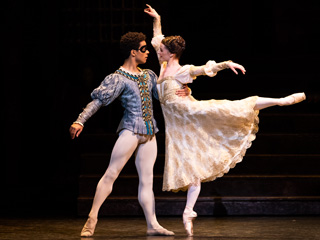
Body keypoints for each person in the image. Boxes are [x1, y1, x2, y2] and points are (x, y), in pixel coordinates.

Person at [144, 4, 306, 236]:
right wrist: (157, 18)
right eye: (159, 49)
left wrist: (226, 64)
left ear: (171, 54)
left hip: (191, 113)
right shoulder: (162, 65)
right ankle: (188, 212)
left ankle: (281, 100)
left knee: (232, 108)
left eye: (161, 50)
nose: (157, 51)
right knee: (192, 167)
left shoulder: (182, 70)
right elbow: (157, 37)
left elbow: (203, 69)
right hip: (178, 127)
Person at [69, 31, 189, 237]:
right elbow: (98, 101)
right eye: (144, 49)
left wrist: (185, 91)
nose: (148, 53)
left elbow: (165, 97)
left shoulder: (149, 75)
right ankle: (92, 218)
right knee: (111, 173)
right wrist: (80, 120)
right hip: (131, 130)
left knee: (147, 181)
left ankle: (152, 224)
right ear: (133, 52)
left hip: (150, 132)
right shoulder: (118, 78)